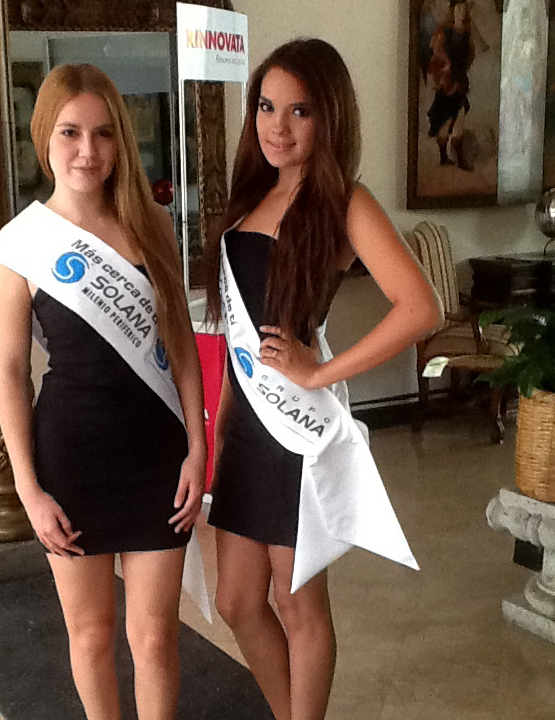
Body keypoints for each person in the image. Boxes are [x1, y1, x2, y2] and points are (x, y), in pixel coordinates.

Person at [204, 39, 442, 720]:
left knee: (296, 601)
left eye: (300, 111)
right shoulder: (249, 196)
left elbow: (422, 307)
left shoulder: (343, 202)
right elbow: (238, 332)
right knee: (236, 601)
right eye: (266, 107)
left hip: (295, 429)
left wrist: (321, 370)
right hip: (246, 425)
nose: (278, 126)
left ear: (329, 115)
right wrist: (220, 428)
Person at [0, 64, 206, 720]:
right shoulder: (21, 247)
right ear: (43, 138)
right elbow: (9, 373)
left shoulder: (152, 224)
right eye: (70, 132)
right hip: (71, 459)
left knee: (156, 637)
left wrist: (198, 448)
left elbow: (182, 343)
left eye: (104, 133)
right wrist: (29, 490)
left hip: (157, 456)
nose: (88, 150)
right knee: (91, 634)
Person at [426, 0, 477, 170]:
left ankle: (459, 158)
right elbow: (437, 52)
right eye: (458, 8)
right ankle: (444, 156)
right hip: (447, 81)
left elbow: (469, 54)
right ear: (453, 10)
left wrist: (462, 68)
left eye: (463, 8)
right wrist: (445, 67)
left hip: (459, 80)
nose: (461, 11)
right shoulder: (445, 31)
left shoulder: (467, 33)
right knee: (446, 120)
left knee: (459, 115)